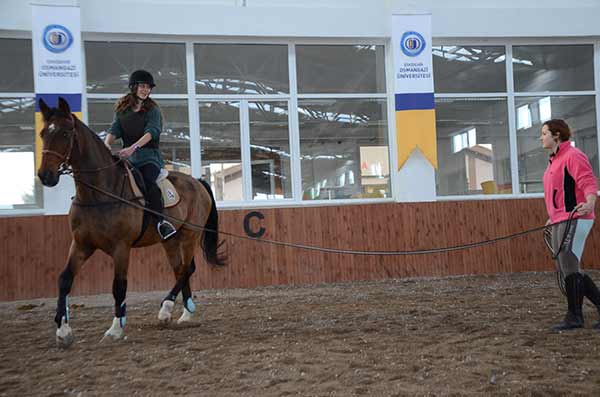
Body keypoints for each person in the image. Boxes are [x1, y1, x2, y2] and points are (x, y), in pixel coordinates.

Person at [541, 119, 600, 331]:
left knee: (569, 263)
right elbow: (558, 193)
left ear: (556, 135)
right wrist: (554, 215)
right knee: (565, 266)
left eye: (544, 133)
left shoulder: (573, 156)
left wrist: (591, 201)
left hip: (577, 216)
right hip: (561, 218)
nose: (542, 137)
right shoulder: (554, 161)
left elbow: (587, 181)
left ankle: (575, 316)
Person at [104, 69, 177, 240]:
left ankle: (161, 223)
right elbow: (115, 128)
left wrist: (132, 148)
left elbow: (152, 132)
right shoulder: (122, 109)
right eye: (142, 86)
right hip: (128, 159)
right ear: (134, 87)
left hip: (149, 158)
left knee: (148, 183)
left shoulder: (153, 110)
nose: (146, 90)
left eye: (148, 87)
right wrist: (107, 144)